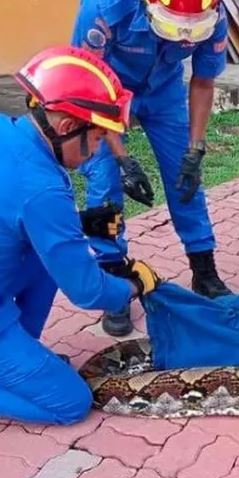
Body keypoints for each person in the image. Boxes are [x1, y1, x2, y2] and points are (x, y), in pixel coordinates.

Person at [0, 46, 161, 426]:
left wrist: (83, 222)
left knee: (44, 260)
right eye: (100, 139)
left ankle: (20, 356)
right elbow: (87, 291)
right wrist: (134, 285)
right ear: (69, 127)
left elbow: (13, 212)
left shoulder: (13, 137)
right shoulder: (43, 190)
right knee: (71, 403)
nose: (97, 151)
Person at [70, 0, 233, 337]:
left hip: (163, 92)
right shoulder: (103, 10)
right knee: (105, 182)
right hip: (105, 90)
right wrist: (122, 158)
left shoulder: (215, 13)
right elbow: (88, 81)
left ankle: (204, 269)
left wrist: (196, 149)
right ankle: (113, 277)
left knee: (185, 178)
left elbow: (203, 82)